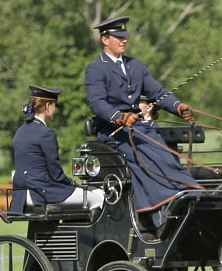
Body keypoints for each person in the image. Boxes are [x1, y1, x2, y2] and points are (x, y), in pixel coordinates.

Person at [83, 16, 201, 227]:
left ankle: (191, 192)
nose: (123, 41)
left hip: (139, 129)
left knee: (165, 154)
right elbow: (97, 103)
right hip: (112, 133)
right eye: (118, 37)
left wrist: (178, 107)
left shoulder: (135, 65)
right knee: (146, 157)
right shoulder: (96, 68)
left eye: (125, 37)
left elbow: (158, 92)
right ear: (105, 40)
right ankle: (162, 210)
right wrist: (119, 117)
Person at [10, 85, 104, 213]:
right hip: (41, 193)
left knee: (84, 197)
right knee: (98, 199)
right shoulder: (46, 133)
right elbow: (56, 174)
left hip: (20, 196)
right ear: (48, 106)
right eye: (55, 106)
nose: (55, 110)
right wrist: (76, 185)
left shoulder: (20, 131)